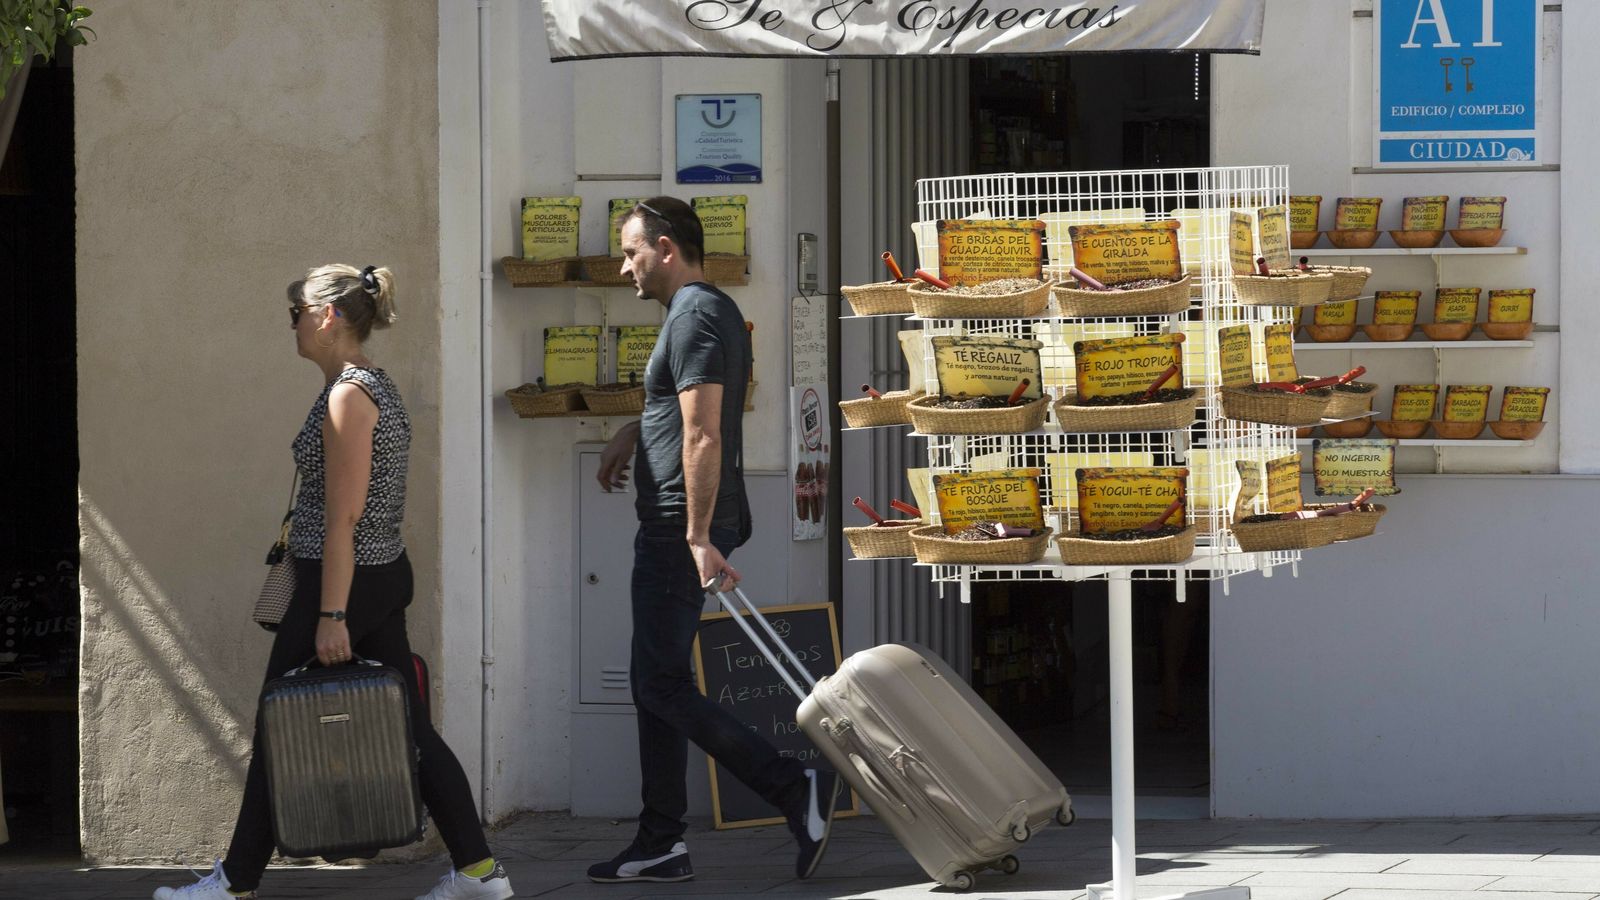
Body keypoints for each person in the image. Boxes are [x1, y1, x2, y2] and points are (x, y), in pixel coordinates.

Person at [155, 265, 513, 900]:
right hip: (373, 575)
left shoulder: (349, 395)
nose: (289, 324)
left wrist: (332, 616)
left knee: (279, 721)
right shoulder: (368, 384)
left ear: (327, 318)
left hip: (350, 581)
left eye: (295, 311)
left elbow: (345, 518)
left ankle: (235, 882)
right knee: (409, 727)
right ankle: (479, 872)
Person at [589, 198, 841, 884]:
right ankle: (660, 842)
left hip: (680, 528)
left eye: (631, 251)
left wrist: (698, 537)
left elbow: (705, 432)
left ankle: (795, 789)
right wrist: (632, 432)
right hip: (677, 524)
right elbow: (683, 412)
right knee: (656, 681)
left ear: (666, 249)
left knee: (660, 683)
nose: (624, 266)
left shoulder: (696, 313)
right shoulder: (701, 313)